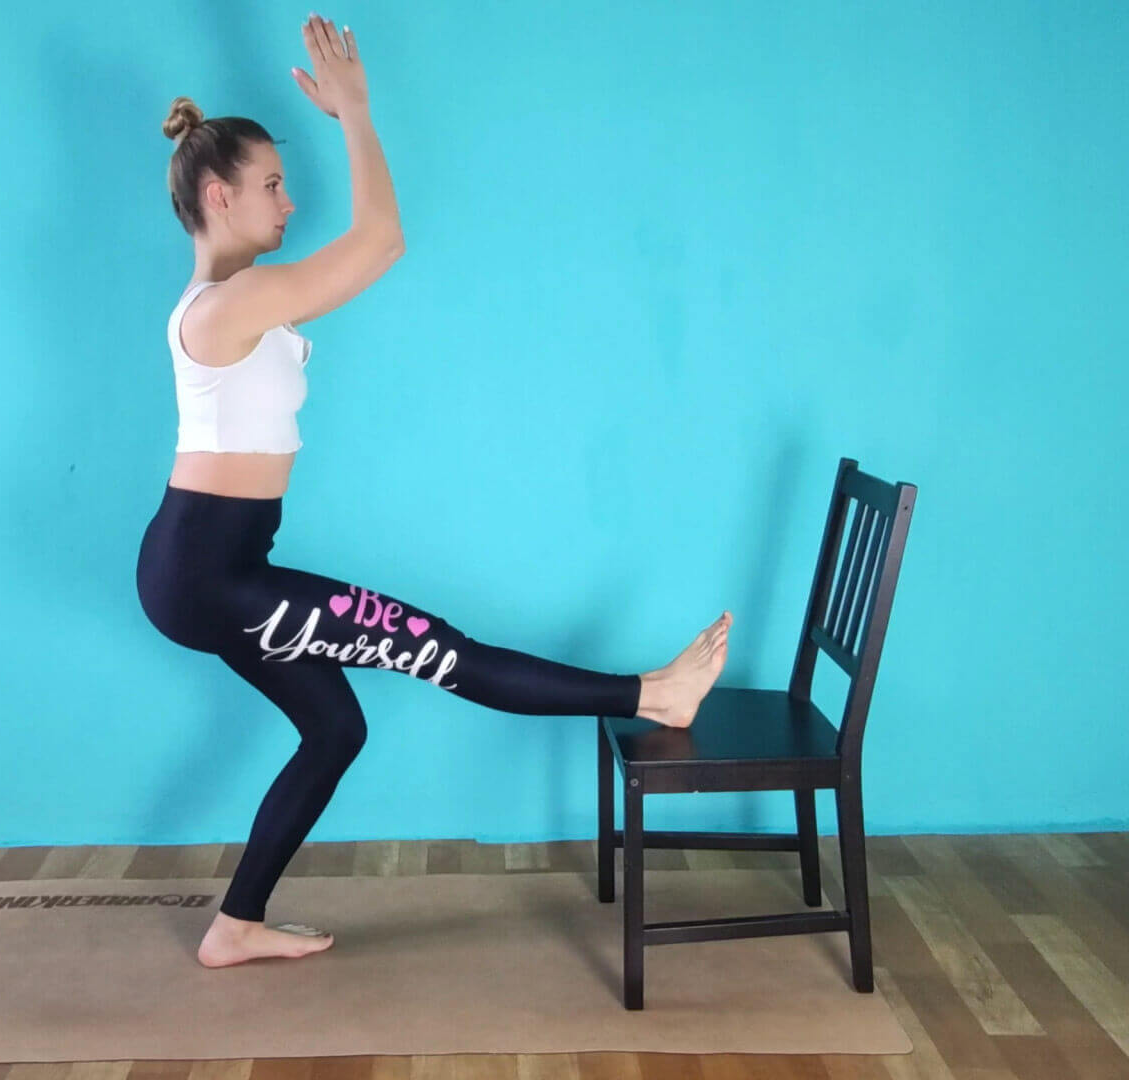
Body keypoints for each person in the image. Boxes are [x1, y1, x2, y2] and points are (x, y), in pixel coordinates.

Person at [137, 14, 731, 970]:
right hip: (211, 576)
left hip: (212, 566)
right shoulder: (230, 304)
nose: (290, 201)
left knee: (335, 726)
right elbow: (382, 242)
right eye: (273, 185)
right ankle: (653, 696)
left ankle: (234, 926)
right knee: (444, 652)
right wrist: (355, 112)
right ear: (219, 194)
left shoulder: (233, 300)